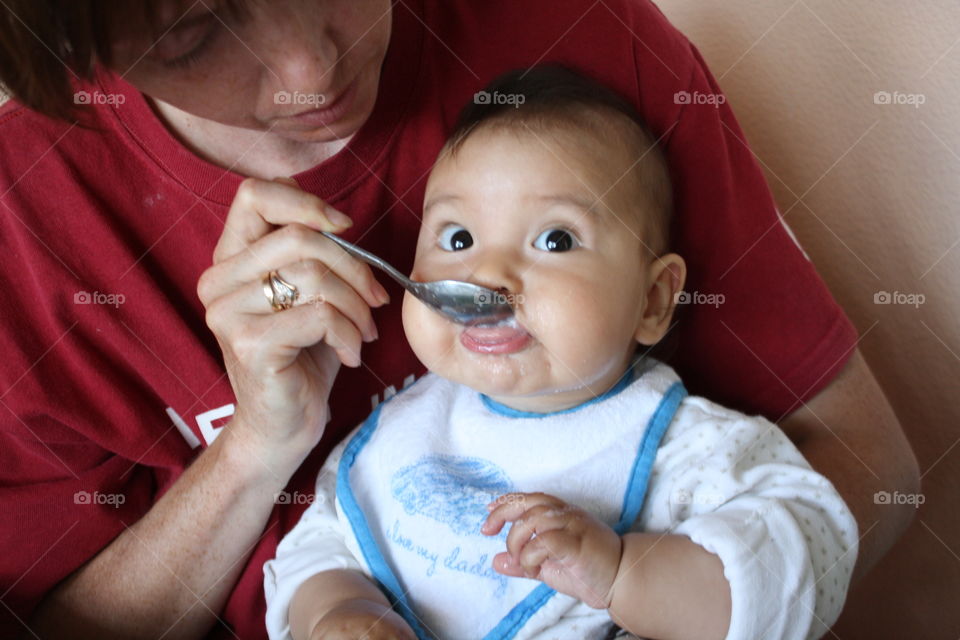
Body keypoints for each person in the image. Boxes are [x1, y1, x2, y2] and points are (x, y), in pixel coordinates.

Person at [0, 1, 917, 639]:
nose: (310, 70)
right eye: (190, 31)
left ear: (654, 297)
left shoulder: (583, 36)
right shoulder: (29, 209)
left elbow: (857, 476)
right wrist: (259, 450)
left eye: (558, 237)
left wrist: (643, 590)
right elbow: (316, 560)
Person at [262, 66, 858, 640]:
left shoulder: (686, 449)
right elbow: (322, 545)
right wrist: (343, 609)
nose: (489, 274)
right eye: (458, 238)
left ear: (652, 301)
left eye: (556, 239)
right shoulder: (409, 422)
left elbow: (802, 562)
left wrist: (623, 572)